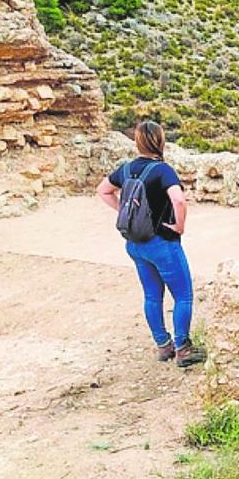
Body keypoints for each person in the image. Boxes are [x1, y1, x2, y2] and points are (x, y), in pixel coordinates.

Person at [96, 121, 205, 368]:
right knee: (183, 295)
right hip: (162, 243)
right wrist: (179, 226)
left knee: (152, 296)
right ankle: (183, 349)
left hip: (135, 244)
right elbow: (178, 200)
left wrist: (124, 213)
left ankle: (163, 345)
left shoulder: (125, 169)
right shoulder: (163, 170)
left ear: (138, 142)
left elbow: (103, 190)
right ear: (160, 141)